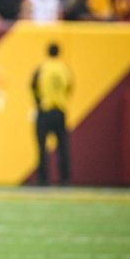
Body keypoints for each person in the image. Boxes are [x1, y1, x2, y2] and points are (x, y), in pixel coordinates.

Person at [31, 42, 73, 186]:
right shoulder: (65, 69)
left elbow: (33, 86)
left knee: (42, 147)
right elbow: (70, 87)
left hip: (45, 110)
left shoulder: (42, 68)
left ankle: (43, 179)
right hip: (60, 110)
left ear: (47, 52)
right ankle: (65, 179)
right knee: (63, 147)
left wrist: (38, 103)